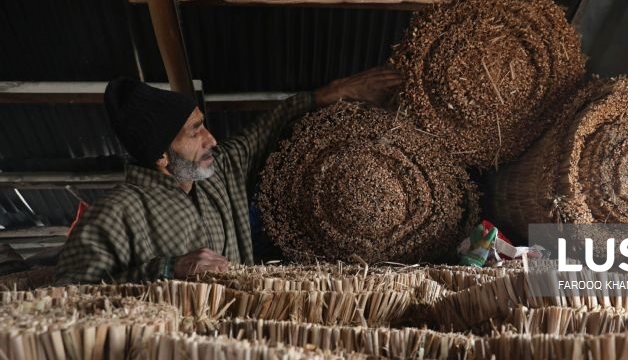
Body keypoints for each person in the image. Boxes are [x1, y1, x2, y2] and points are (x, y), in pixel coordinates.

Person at [54, 67, 402, 285]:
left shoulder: (217, 175)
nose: (211, 139)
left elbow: (265, 130)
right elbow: (66, 295)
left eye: (202, 124)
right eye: (195, 131)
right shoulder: (115, 214)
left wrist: (330, 94)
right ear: (161, 155)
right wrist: (164, 270)